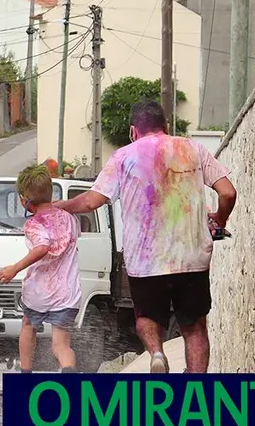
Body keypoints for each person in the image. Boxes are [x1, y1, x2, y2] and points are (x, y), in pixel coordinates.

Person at [54, 100, 236, 374]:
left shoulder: (124, 157)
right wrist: (220, 219)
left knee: (147, 317)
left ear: (132, 131)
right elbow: (228, 193)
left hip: (146, 260)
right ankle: (198, 387)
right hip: (191, 257)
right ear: (167, 126)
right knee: (194, 325)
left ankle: (157, 354)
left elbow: (92, 201)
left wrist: (57, 207)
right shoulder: (193, 149)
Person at [0, 166, 81, 374]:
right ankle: (68, 371)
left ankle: (26, 374)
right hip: (67, 292)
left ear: (24, 199)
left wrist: (14, 268)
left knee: (28, 326)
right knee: (60, 344)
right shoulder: (70, 218)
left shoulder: (34, 224)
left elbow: (42, 247)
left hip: (40, 291)